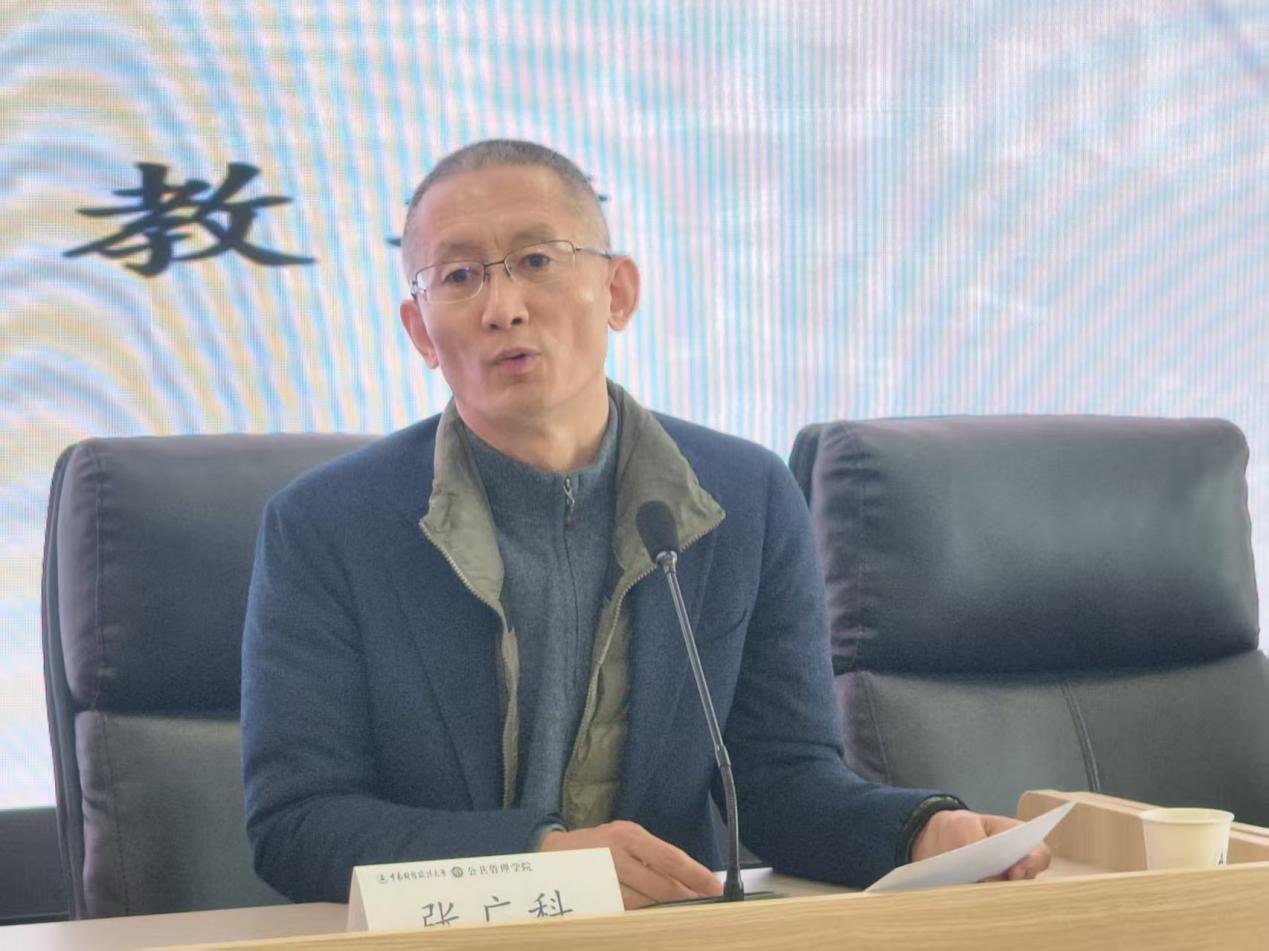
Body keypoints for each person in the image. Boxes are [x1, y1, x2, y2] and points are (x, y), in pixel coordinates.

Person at [240, 139, 1049, 908]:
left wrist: (913, 832)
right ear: (420, 329)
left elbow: (779, 779)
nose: (503, 308)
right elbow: (298, 823)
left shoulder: (742, 496)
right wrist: (534, 857)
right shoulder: (326, 525)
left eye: (536, 260)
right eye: (458, 276)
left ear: (618, 292)